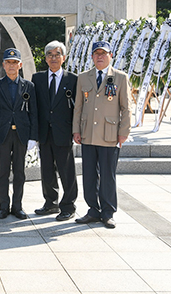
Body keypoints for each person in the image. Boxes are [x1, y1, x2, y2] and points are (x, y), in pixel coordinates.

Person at [73, 41, 132, 229]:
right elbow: (78, 106)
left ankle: (108, 212)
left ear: (111, 56)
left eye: (103, 53)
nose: (99, 56)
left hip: (110, 135)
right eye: (96, 53)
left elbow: (126, 108)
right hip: (88, 134)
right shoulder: (83, 78)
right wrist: (76, 129)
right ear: (92, 56)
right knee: (89, 175)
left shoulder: (120, 78)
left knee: (108, 175)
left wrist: (123, 133)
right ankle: (93, 210)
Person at [0, 48, 38, 220]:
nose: (11, 66)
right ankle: (3, 207)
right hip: (2, 135)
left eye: (15, 62)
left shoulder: (28, 86)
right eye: (8, 62)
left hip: (21, 135)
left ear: (20, 65)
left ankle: (17, 206)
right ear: (3, 64)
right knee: (2, 173)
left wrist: (33, 136)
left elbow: (33, 113)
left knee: (19, 172)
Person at [32, 41, 78, 221]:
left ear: (63, 58)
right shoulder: (37, 79)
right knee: (47, 170)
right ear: (45, 58)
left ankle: (68, 206)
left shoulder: (73, 79)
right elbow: (34, 107)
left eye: (57, 54)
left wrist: (76, 130)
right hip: (44, 132)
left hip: (63, 132)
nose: (53, 58)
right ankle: (51, 202)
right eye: (49, 54)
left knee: (67, 171)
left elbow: (77, 108)